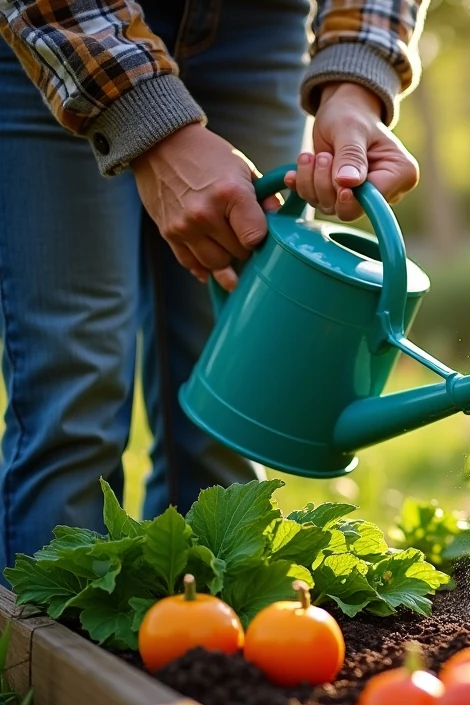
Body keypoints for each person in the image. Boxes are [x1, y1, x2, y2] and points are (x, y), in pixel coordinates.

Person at [0, 0, 427, 578]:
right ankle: (49, 659)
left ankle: (197, 644)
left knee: (229, 410)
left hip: (260, 33)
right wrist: (146, 119)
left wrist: (355, 77)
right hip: (67, 32)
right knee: (73, 395)